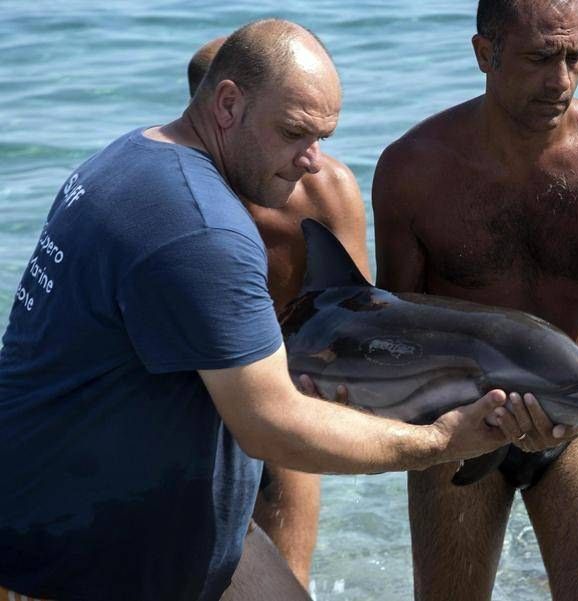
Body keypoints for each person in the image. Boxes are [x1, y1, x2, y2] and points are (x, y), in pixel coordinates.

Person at [0, 19, 575, 601]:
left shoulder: (133, 154)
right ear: (227, 104)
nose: (312, 161)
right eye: (295, 133)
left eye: (323, 136)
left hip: (158, 529)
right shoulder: (201, 228)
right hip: (83, 554)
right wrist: (443, 442)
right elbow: (269, 422)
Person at [372, 0, 578, 599]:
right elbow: (398, 325)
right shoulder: (411, 170)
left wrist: (568, 411)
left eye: (574, 56)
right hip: (454, 421)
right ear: (485, 54)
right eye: (538, 58)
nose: (560, 81)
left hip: (577, 397)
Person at [188, 35, 371, 590]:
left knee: (287, 578)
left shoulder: (325, 191)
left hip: (288, 392)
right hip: (193, 410)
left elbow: (358, 312)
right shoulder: (182, 203)